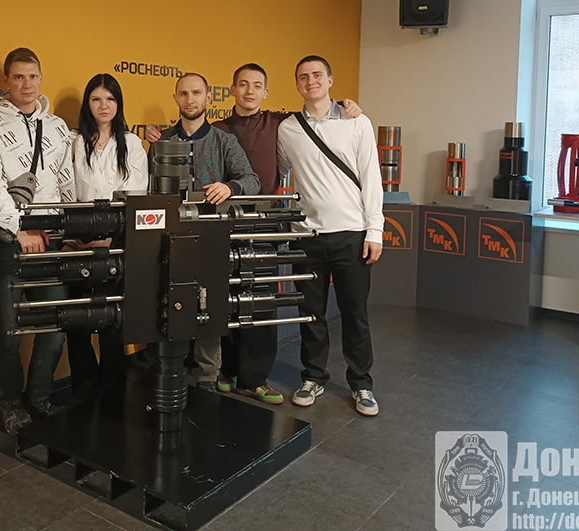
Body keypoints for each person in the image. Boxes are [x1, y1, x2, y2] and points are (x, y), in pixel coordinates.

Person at [147, 64, 362, 405]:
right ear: (230, 90)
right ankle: (225, 372)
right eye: (243, 84)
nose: (249, 91)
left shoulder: (283, 123)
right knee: (221, 301)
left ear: (266, 91)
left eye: (257, 85)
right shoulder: (211, 129)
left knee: (261, 303)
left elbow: (316, 111)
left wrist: (347, 106)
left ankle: (255, 378)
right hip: (217, 229)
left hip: (262, 225)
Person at [277, 55, 383, 416]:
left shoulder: (357, 122)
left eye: (317, 75)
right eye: (303, 77)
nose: (311, 81)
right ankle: (313, 377)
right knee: (310, 313)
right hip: (306, 234)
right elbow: (278, 169)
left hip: (352, 233)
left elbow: (371, 177)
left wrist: (376, 230)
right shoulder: (287, 129)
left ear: (330, 80)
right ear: (297, 84)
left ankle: (362, 383)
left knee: (355, 313)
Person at [0, 47, 75, 434]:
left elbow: (66, 182)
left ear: (41, 78)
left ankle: (40, 396)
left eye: (33, 76)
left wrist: (67, 232)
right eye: (18, 77)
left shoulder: (57, 127)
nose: (27, 84)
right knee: (6, 331)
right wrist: (19, 228)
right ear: (6, 81)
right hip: (7, 240)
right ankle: (11, 404)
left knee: (54, 326)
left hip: (51, 240)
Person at [154, 72, 260, 393]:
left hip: (211, 237)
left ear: (208, 97)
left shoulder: (224, 141)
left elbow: (252, 180)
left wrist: (230, 187)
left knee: (208, 303)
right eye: (184, 93)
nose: (190, 99)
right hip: (168, 239)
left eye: (196, 93)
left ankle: (207, 377)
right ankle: (170, 369)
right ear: (176, 98)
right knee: (168, 302)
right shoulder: (161, 142)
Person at [64, 73, 149, 399]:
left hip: (117, 244)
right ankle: (84, 391)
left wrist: (110, 238)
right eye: (96, 99)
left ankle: (113, 389)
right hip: (78, 242)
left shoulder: (132, 144)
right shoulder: (73, 142)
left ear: (119, 103)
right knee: (78, 321)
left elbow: (136, 197)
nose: (104, 105)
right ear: (88, 103)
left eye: (110, 99)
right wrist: (74, 236)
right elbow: (66, 191)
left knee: (112, 320)